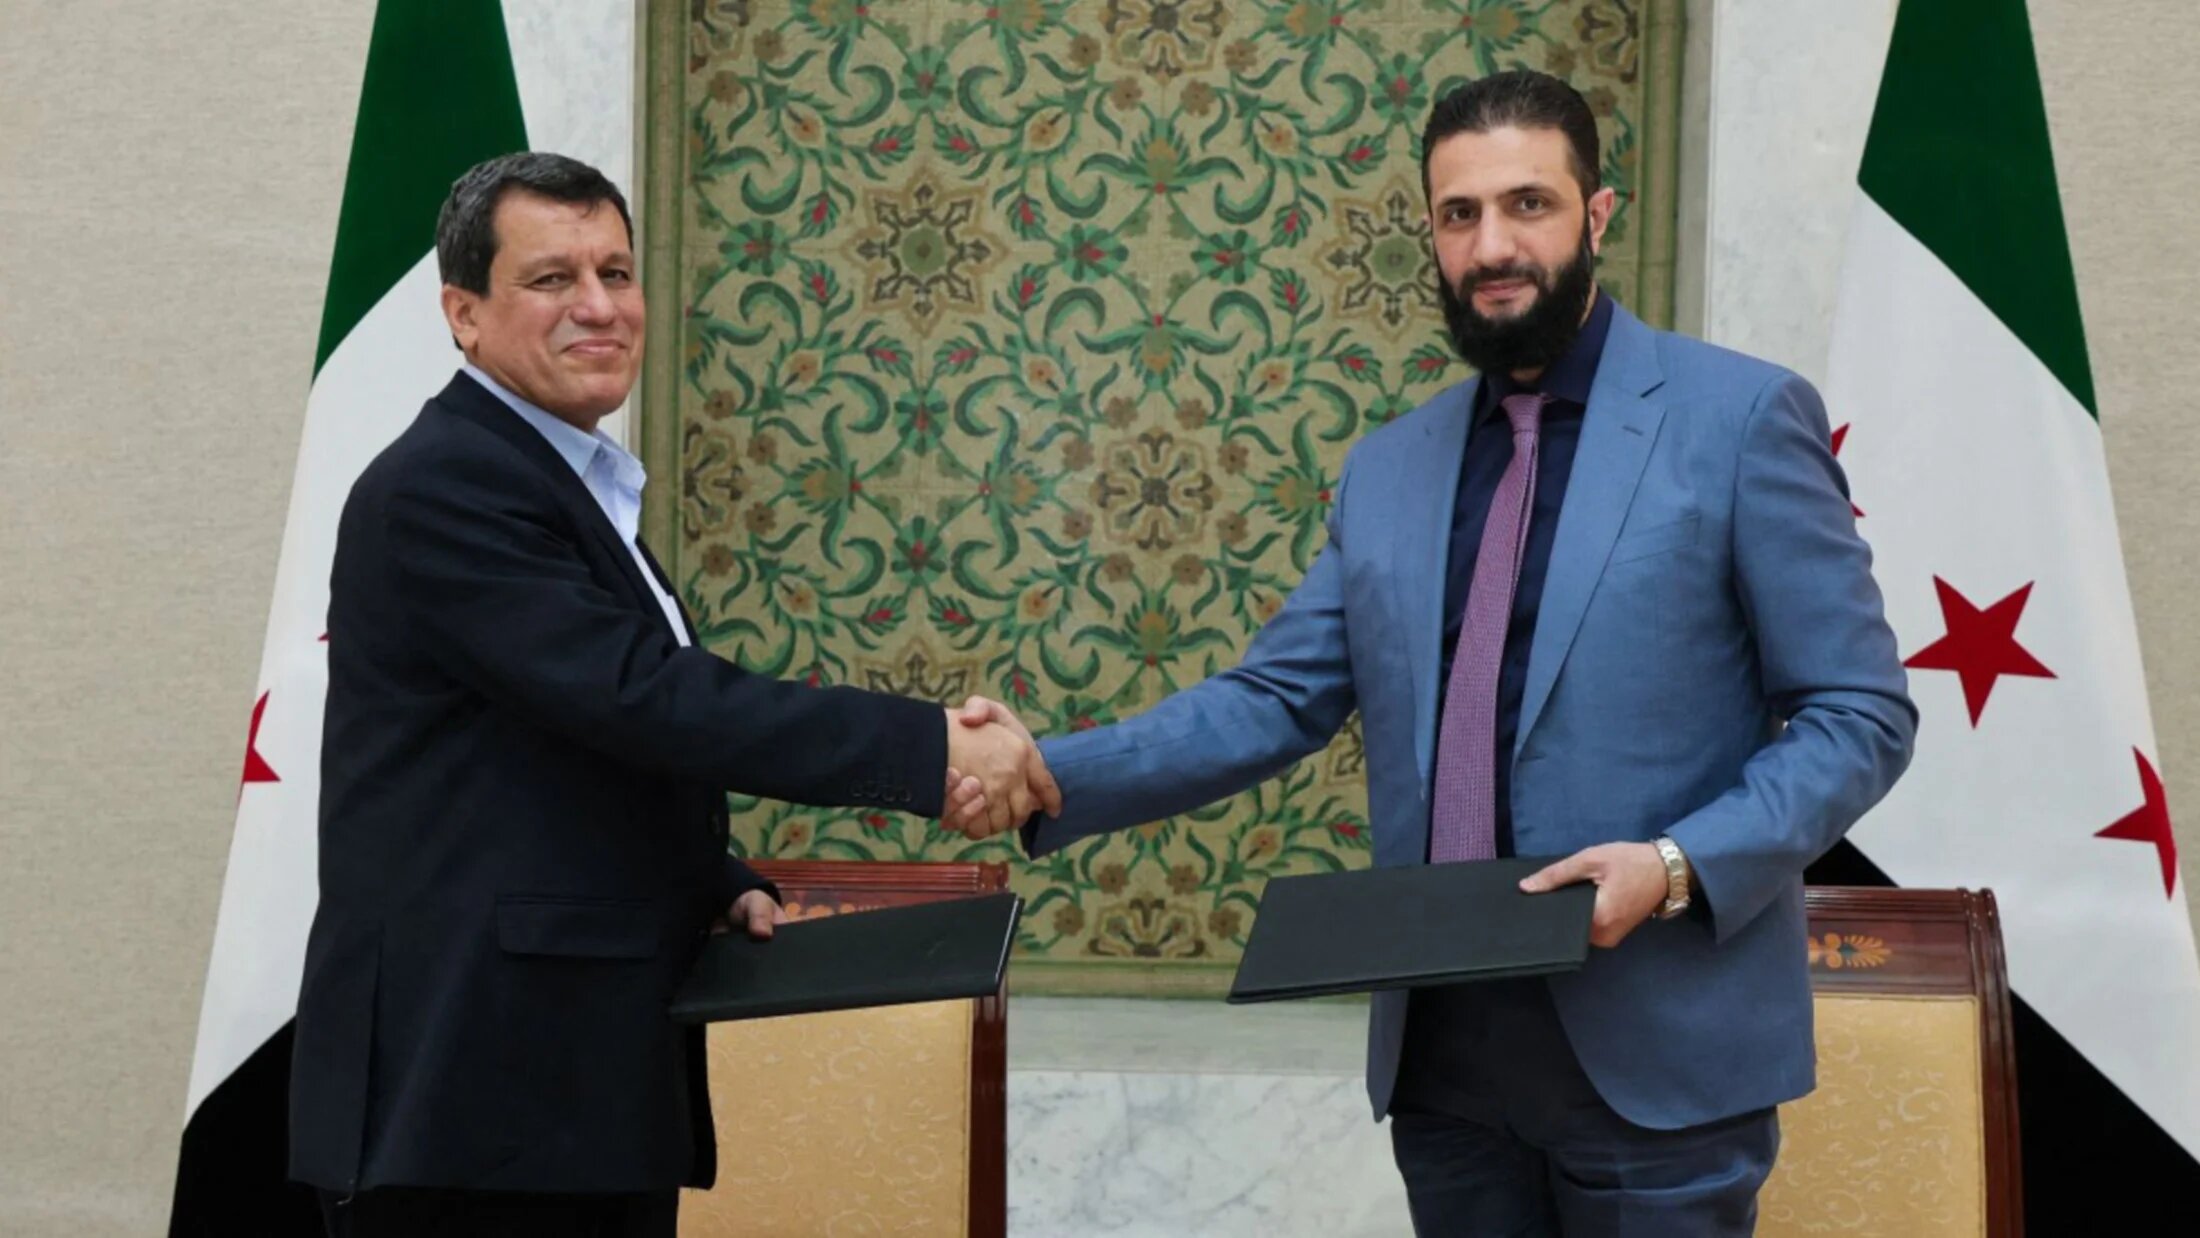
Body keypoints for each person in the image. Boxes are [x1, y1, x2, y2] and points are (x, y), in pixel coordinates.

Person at [954, 70, 1915, 1235]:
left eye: (1528, 204)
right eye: (1459, 215)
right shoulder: (1389, 467)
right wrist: (1048, 766)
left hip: (1656, 1061)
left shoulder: (1741, 418)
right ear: (1430, 232)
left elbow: (1857, 711)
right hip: (1446, 1062)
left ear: (1596, 215)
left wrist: (1671, 866)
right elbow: (1275, 697)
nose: (1493, 245)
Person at [289, 151, 1056, 1238]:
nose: (599, 306)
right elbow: (643, 695)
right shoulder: (445, 485)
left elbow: (562, 754)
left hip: (564, 1091)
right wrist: (927, 747)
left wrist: (709, 875)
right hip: (473, 1095)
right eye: (552, 279)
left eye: (617, 270)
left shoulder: (562, 478)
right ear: (463, 313)